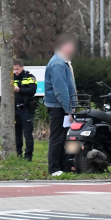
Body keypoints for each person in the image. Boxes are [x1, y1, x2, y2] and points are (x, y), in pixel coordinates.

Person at [43, 33, 78, 177]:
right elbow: (61, 89)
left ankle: (65, 166)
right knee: (57, 138)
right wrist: (69, 109)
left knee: (66, 138)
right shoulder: (58, 63)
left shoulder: (63, 62)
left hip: (62, 106)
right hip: (59, 107)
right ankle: (54, 168)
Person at [13, 59, 37, 161]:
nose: (16, 71)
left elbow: (32, 90)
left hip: (25, 108)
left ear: (22, 67)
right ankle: (18, 154)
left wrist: (20, 90)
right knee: (17, 134)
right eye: (14, 69)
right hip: (15, 109)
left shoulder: (29, 76)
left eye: (17, 69)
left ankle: (28, 156)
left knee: (27, 134)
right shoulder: (12, 77)